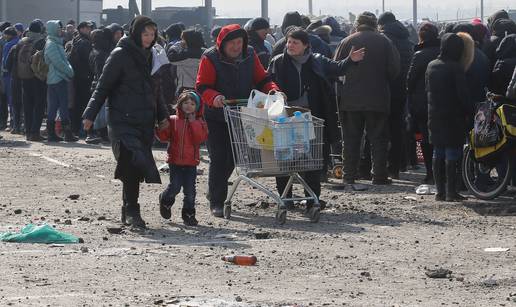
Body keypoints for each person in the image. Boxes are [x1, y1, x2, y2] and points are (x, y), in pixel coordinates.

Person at [82, 16, 169, 229]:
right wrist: (90, 115)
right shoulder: (120, 54)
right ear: (135, 32)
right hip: (122, 120)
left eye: (152, 34)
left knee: (137, 165)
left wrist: (162, 116)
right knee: (130, 162)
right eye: (145, 34)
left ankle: (127, 209)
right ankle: (132, 210)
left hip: (145, 121)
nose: (149, 38)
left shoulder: (154, 56)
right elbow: (103, 86)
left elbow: (156, 91)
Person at [268, 27, 365, 209]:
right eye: (289, 42)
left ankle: (312, 199)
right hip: (285, 119)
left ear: (306, 45)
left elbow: (337, 68)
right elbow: (268, 82)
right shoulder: (278, 62)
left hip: (311, 118)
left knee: (311, 161)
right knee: (284, 159)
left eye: (295, 42)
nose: (290, 45)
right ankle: (286, 199)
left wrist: (351, 60)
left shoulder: (317, 61)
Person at [195, 24, 283, 217]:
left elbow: (262, 79)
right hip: (216, 116)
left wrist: (273, 90)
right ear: (222, 44)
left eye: (239, 42)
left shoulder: (250, 54)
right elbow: (202, 86)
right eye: (232, 43)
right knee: (219, 157)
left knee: (233, 157)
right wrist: (215, 97)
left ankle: (214, 190)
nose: (236, 47)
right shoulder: (210, 57)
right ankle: (217, 202)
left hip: (240, 114)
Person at [334, 12, 400, 185]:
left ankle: (349, 175)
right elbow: (394, 70)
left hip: (350, 99)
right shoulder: (385, 42)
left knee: (350, 139)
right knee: (378, 138)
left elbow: (336, 69)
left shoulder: (346, 42)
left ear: (357, 24)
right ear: (375, 24)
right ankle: (379, 175)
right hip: (377, 98)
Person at [426, 32, 474, 202]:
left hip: (434, 115)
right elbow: (463, 95)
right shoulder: (456, 67)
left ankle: (439, 192)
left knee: (437, 153)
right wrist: (471, 112)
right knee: (452, 153)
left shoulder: (431, 65)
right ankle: (451, 192)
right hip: (453, 117)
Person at [156, 91, 208, 226]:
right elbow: (163, 137)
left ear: (197, 107)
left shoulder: (199, 122)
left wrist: (193, 123)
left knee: (190, 191)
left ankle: (189, 214)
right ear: (180, 104)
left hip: (191, 162)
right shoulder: (173, 120)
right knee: (175, 186)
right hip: (175, 161)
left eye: (192, 104)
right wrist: (160, 127)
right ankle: (166, 200)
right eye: (185, 103)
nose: (189, 106)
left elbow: (200, 138)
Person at [378, 12, 414, 179]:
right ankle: (396, 167)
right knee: (397, 128)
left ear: (382, 24)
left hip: (385, 89)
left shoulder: (384, 39)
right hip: (401, 89)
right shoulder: (406, 39)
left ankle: (380, 167)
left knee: (380, 129)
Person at [406, 22, 441, 184]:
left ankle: (430, 173)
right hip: (440, 101)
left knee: (425, 140)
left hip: (421, 103)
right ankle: (441, 172)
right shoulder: (443, 51)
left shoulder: (419, 55)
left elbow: (410, 81)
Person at [16, 20, 47, 141]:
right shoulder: (41, 42)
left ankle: (28, 131)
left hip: (24, 77)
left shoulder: (22, 41)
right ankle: (35, 132)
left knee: (27, 105)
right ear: (40, 29)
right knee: (39, 105)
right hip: (37, 78)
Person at [44, 20, 75, 142]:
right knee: (62, 106)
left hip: (55, 78)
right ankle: (66, 133)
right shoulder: (52, 44)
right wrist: (70, 71)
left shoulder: (54, 42)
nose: (60, 30)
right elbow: (59, 63)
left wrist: (68, 68)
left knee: (53, 106)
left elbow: (62, 60)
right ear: (52, 29)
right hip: (58, 78)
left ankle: (53, 133)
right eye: (58, 28)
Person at [85, 28, 113, 144]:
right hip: (99, 83)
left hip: (95, 82)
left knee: (97, 109)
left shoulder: (93, 51)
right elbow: (100, 71)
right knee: (97, 110)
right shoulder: (100, 53)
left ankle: (98, 133)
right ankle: (91, 133)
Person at [69, 21, 93, 137]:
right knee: (83, 104)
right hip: (84, 77)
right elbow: (88, 61)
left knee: (77, 104)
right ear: (82, 29)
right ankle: (82, 130)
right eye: (88, 28)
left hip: (77, 76)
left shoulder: (75, 40)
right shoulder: (85, 43)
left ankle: (75, 128)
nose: (90, 30)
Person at [168, 29, 206, 95]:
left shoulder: (184, 54)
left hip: (185, 88)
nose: (182, 41)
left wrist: (177, 45)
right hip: (202, 88)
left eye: (183, 39)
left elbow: (171, 58)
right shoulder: (206, 53)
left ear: (188, 40)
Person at [2, 26, 20, 132]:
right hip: (20, 74)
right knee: (18, 100)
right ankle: (17, 123)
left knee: (11, 100)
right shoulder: (20, 42)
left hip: (9, 75)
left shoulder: (8, 45)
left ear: (9, 35)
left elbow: (5, 63)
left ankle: (13, 124)